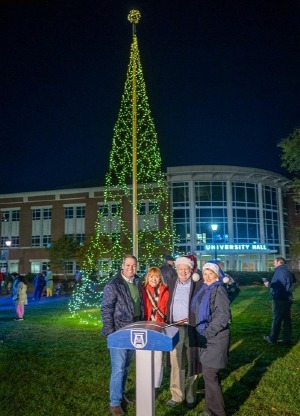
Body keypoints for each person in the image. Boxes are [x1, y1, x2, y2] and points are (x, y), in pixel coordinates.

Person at [101, 254, 144, 416]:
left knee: (126, 367)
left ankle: (121, 394)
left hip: (136, 329)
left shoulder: (139, 282)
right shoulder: (114, 284)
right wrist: (111, 333)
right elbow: (106, 309)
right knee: (118, 368)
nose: (131, 268)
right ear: (122, 266)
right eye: (128, 265)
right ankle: (114, 403)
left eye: (133, 265)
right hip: (119, 331)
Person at [191, 262, 231, 416]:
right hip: (207, 336)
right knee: (210, 375)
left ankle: (216, 412)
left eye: (210, 273)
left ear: (217, 275)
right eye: (205, 273)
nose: (207, 276)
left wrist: (206, 333)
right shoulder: (205, 288)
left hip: (215, 338)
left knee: (209, 374)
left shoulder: (218, 289)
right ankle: (212, 409)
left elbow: (222, 316)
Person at [166, 256, 203, 409]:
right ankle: (176, 395)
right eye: (180, 269)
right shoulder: (171, 282)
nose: (183, 272)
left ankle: (191, 396)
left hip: (192, 327)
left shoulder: (198, 283)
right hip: (175, 327)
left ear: (191, 270)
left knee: (193, 361)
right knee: (176, 361)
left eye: (186, 269)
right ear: (177, 270)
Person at [142, 266, 169, 393]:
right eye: (152, 276)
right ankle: (146, 381)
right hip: (146, 326)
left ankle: (156, 385)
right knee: (146, 355)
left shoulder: (165, 290)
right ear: (148, 277)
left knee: (158, 356)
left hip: (159, 326)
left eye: (156, 276)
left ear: (160, 278)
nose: (154, 279)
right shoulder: (143, 290)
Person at [263, 257, 294, 346]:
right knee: (286, 319)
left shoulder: (280, 271)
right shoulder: (286, 270)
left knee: (277, 318)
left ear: (279, 262)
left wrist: (269, 284)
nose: (273, 263)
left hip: (279, 299)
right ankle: (287, 339)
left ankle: (272, 339)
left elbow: (280, 285)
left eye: (274, 262)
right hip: (286, 298)